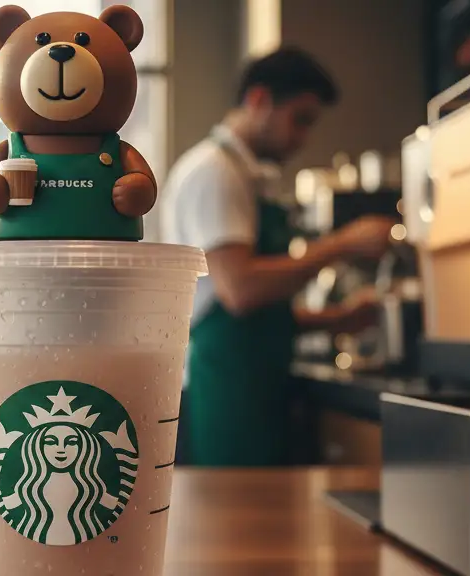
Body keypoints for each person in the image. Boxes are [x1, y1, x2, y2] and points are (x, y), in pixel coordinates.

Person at [160, 48, 395, 467]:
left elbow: (258, 315)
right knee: (233, 521)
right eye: (300, 119)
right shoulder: (215, 173)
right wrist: (343, 245)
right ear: (258, 100)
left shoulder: (245, 176)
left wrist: (338, 320)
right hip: (226, 389)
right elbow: (241, 290)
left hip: (253, 383)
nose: (303, 139)